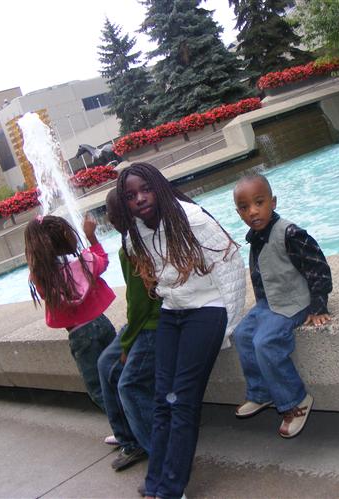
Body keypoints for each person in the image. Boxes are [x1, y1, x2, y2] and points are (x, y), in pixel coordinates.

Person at [115, 163, 245, 499]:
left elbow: (230, 264)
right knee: (162, 400)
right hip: (173, 313)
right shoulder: (134, 238)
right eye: (131, 196)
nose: (140, 199)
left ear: (158, 186)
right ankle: (156, 481)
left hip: (208, 310)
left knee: (183, 401)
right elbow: (154, 279)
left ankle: (172, 489)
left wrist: (226, 324)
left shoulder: (193, 218)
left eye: (145, 189)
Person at [232, 173, 332, 439]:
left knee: (266, 342)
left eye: (259, 202)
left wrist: (319, 305)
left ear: (273, 202)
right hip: (269, 303)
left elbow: (318, 267)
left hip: (294, 302)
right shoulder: (255, 235)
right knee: (242, 336)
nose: (253, 211)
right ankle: (261, 392)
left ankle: (295, 400)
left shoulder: (290, 233)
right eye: (244, 207)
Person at [24, 214, 116, 411]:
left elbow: (41, 286)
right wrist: (91, 237)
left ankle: (125, 431)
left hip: (80, 335)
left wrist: (38, 254)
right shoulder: (85, 262)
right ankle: (138, 420)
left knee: (98, 387)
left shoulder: (43, 279)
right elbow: (104, 261)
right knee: (119, 372)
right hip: (102, 323)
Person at [97, 189, 161, 473]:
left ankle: (158, 453)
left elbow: (140, 303)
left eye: (110, 215)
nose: (108, 220)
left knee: (127, 383)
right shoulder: (131, 241)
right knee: (103, 364)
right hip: (141, 323)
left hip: (152, 325)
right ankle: (128, 437)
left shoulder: (133, 248)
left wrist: (126, 345)